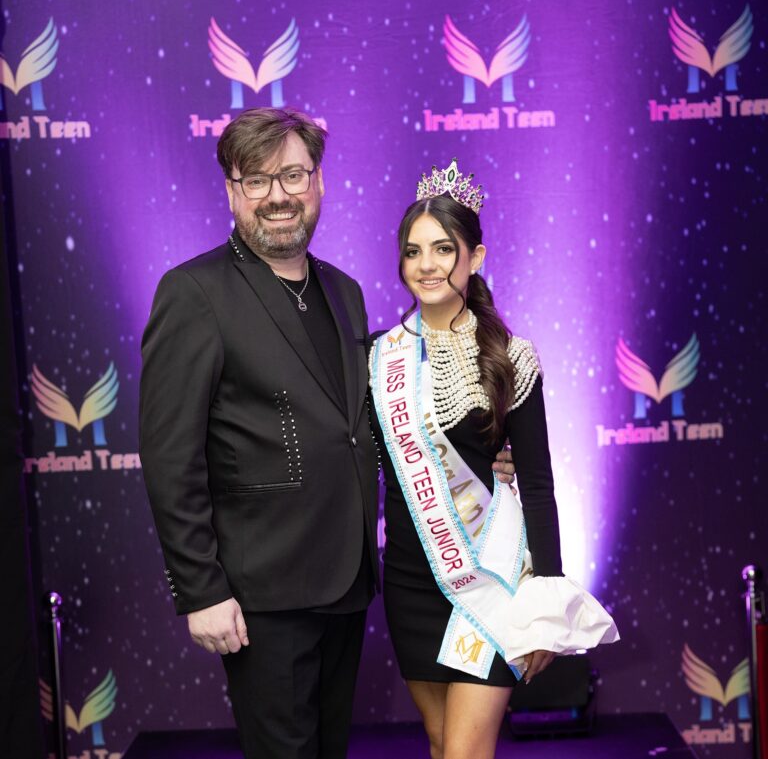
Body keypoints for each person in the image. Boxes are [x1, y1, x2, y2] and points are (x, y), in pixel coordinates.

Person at [139, 110, 518, 759]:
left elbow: (366, 423)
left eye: (293, 174)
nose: (279, 194)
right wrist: (201, 590)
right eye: (257, 179)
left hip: (345, 581)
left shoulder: (342, 290)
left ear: (318, 183)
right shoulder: (195, 292)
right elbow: (170, 454)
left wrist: (478, 452)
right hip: (262, 594)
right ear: (231, 191)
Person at [368, 160, 619, 759]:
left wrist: (547, 604)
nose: (425, 265)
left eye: (442, 249)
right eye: (413, 251)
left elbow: (537, 483)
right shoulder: (379, 361)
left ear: (474, 257)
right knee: (438, 741)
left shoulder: (512, 357)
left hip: (491, 577)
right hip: (409, 576)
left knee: (464, 752)